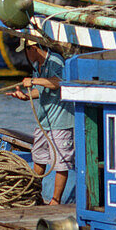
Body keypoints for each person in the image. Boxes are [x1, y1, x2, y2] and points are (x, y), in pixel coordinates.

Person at [10, 39, 75, 206]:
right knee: (38, 156)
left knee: (61, 162)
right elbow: (38, 91)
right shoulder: (37, 67)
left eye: (26, 51)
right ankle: (35, 195)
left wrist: (34, 81)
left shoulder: (55, 60)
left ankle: (55, 201)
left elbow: (58, 82)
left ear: (33, 49)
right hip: (44, 122)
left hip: (61, 121)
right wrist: (24, 96)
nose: (25, 56)